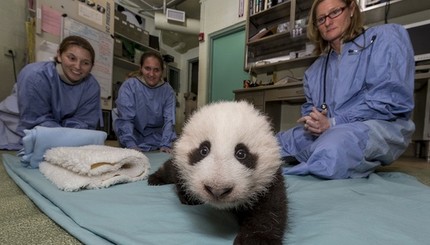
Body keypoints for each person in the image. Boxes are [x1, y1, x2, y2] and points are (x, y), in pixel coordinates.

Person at [276, 0, 415, 179]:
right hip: (328, 131)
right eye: (321, 19)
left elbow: (391, 101)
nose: (327, 22)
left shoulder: (385, 38)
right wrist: (314, 122)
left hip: (377, 126)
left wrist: (334, 123)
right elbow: (312, 109)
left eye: (334, 13)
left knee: (332, 148)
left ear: (351, 10)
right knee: (274, 144)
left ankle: (285, 178)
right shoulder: (314, 70)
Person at [16, 35, 102, 137]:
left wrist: (70, 136)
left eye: (85, 63)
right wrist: (66, 136)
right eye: (72, 58)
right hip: (21, 131)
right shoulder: (35, 75)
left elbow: (84, 124)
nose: (78, 66)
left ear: (92, 66)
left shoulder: (91, 86)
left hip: (63, 137)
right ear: (59, 55)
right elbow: (35, 120)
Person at [114, 51, 177, 154]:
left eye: (156, 70)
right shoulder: (129, 86)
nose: (151, 74)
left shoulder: (168, 91)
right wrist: (130, 144)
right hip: (132, 135)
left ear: (162, 72)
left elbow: (169, 120)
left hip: (158, 139)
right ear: (141, 68)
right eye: (147, 68)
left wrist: (166, 144)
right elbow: (125, 118)